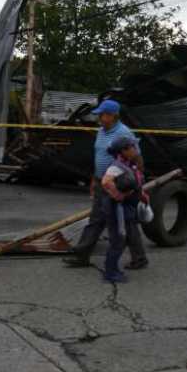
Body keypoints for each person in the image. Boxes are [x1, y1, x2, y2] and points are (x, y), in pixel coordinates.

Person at [63, 99, 149, 269]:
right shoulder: (101, 131)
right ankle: (82, 256)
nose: (100, 118)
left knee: (127, 222)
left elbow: (137, 159)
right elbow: (99, 156)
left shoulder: (124, 133)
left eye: (103, 115)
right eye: (99, 115)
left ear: (113, 115)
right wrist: (94, 180)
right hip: (102, 182)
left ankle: (139, 258)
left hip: (119, 184)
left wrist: (134, 184)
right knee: (96, 219)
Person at [100, 136, 149, 283]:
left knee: (121, 239)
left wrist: (142, 195)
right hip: (117, 208)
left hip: (126, 208)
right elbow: (106, 182)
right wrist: (119, 195)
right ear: (124, 150)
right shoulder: (116, 166)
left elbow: (136, 184)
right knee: (117, 240)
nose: (135, 149)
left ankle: (113, 269)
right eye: (132, 147)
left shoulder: (129, 165)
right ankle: (110, 273)